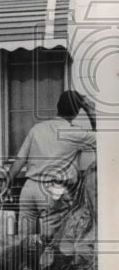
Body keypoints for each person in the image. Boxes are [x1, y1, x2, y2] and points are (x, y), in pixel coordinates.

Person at [6, 90, 96, 242]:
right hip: (53, 190)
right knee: (52, 242)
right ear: (76, 112)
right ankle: (45, 266)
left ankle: (26, 266)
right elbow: (103, 139)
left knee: (24, 240)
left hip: (29, 189)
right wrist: (90, 109)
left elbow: (20, 159)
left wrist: (8, 183)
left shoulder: (37, 129)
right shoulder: (74, 133)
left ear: (58, 107)